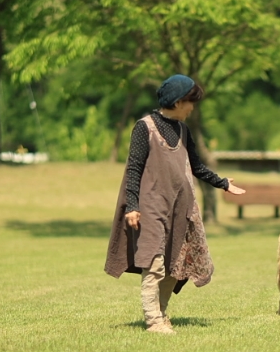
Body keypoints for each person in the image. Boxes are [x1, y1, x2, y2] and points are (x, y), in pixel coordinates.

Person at [105, 74, 245, 334]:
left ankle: (162, 313)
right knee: (154, 263)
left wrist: (222, 183)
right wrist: (132, 206)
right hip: (150, 207)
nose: (193, 108)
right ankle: (153, 320)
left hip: (179, 208)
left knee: (173, 264)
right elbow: (133, 169)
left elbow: (196, 166)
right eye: (191, 102)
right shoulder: (144, 127)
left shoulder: (183, 130)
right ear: (179, 101)